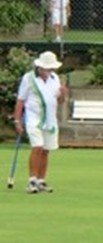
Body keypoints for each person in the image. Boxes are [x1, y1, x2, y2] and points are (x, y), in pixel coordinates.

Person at [13, 51, 68, 194]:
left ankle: (41, 181)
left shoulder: (55, 78)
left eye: (51, 68)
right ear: (40, 67)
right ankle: (32, 180)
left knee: (45, 151)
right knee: (37, 147)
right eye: (47, 68)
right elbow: (20, 101)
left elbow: (60, 102)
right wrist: (17, 121)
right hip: (34, 118)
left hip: (50, 120)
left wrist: (62, 94)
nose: (49, 71)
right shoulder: (28, 78)